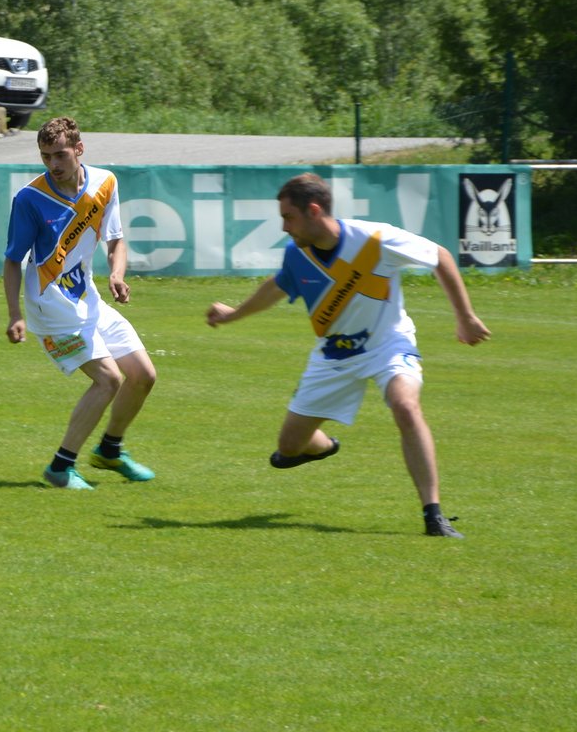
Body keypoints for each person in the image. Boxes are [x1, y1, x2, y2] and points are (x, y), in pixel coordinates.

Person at [205, 172, 491, 538]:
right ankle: (324, 447)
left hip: (388, 345)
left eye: (288, 217)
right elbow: (275, 288)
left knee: (406, 406)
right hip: (333, 356)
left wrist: (465, 316)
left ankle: (433, 515)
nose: (284, 227)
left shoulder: (374, 239)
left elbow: (440, 256)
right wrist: (232, 314)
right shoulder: (297, 255)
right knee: (289, 448)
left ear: (313, 211)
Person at [3, 117, 158, 490]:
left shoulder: (105, 183)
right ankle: (61, 467)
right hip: (50, 306)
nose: (53, 164)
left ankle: (110, 450)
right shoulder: (29, 199)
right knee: (109, 380)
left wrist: (117, 274)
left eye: (60, 155)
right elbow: (12, 260)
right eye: (46, 157)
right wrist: (15, 314)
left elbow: (115, 239)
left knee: (143, 375)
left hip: (88, 298)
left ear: (79, 149)